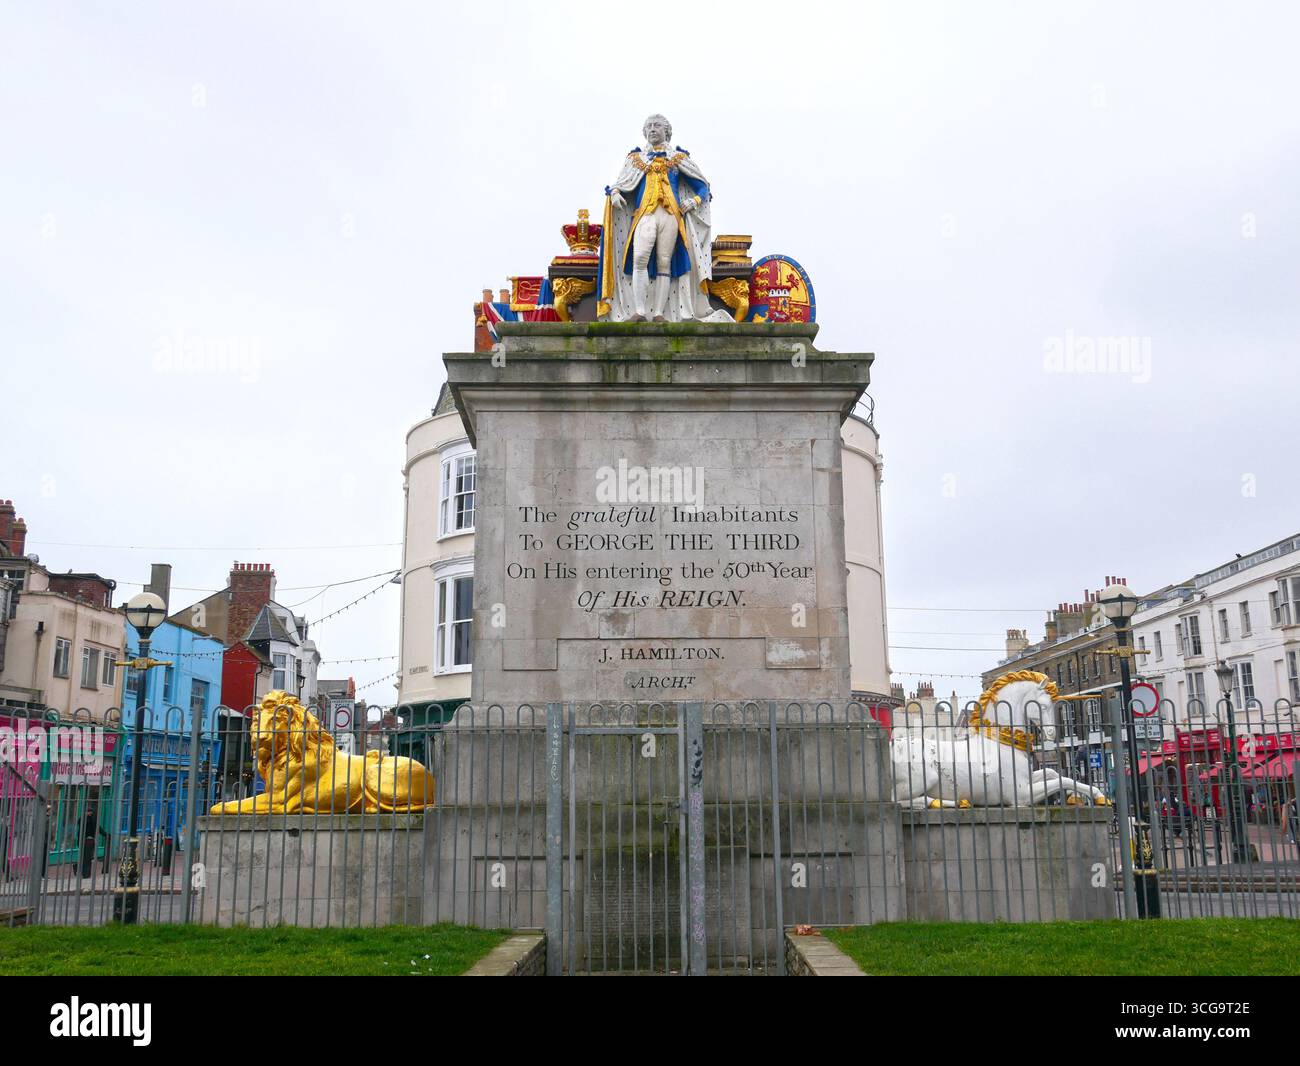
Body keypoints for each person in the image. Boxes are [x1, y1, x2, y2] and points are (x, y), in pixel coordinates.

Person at [598, 114, 732, 323]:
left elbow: (702, 186)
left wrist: (695, 201)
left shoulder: (678, 159)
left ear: (667, 131)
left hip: (671, 215)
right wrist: (615, 194)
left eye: (657, 126)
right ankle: (640, 311)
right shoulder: (636, 159)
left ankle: (659, 312)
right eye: (649, 126)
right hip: (645, 214)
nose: (652, 129)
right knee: (640, 258)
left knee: (664, 262)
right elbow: (621, 183)